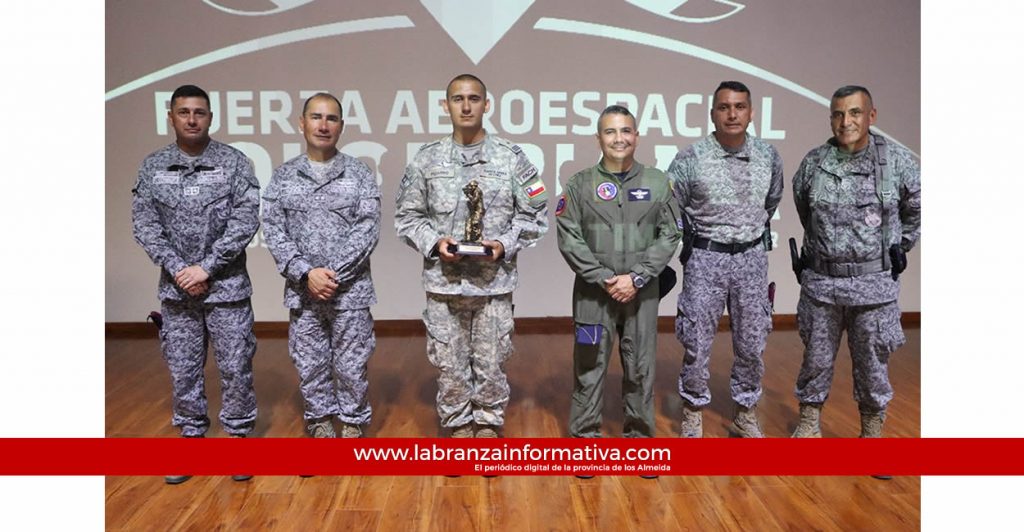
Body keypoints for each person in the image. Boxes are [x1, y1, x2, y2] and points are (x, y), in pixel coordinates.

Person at [395, 74, 548, 438]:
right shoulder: (427, 159)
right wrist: (435, 243)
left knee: (492, 362)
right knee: (449, 364)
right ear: (445, 106)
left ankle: (488, 427)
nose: (466, 106)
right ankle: (459, 427)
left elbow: (536, 213)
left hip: (492, 284)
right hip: (444, 286)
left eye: (474, 98)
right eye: (458, 99)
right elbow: (407, 217)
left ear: (487, 104)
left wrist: (504, 244)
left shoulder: (511, 159)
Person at [131, 84, 259, 484]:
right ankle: (191, 437)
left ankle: (237, 438)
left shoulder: (234, 163)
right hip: (177, 292)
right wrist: (178, 269)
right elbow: (145, 224)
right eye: (183, 112)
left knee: (236, 367)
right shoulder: (153, 167)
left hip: (227, 289)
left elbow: (245, 220)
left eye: (199, 112)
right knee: (183, 369)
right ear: (170, 117)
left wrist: (206, 267)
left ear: (210, 117)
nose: (191, 119)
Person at [790, 85, 920, 440]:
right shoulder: (814, 163)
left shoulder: (898, 163)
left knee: (873, 367)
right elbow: (805, 209)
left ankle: (872, 434)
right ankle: (808, 426)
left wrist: (897, 248)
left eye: (855, 113)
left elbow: (918, 210)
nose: (845, 121)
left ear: (871, 116)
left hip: (873, 288)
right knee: (814, 361)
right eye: (838, 114)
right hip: (822, 285)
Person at [556, 105, 681, 443]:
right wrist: (603, 277)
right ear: (598, 138)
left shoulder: (657, 182)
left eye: (626, 130)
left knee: (641, 368)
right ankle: (584, 440)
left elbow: (670, 234)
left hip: (641, 295)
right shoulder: (580, 185)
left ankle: (639, 440)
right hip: (593, 296)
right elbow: (569, 238)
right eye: (610, 132)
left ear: (636, 136)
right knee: (588, 368)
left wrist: (637, 278)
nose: (619, 138)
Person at [667, 81, 783, 438]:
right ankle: (693, 411)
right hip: (706, 258)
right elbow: (671, 206)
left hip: (751, 259)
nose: (732, 114)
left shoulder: (768, 156)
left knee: (752, 341)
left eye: (739, 107)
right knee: (697, 341)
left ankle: (745, 412)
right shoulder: (691, 158)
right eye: (724, 107)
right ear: (712, 113)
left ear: (751, 112)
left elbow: (772, 201)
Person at [262, 93, 381, 439]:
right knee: (310, 362)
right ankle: (320, 422)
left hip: (350, 293)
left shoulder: (359, 173)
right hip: (303, 292)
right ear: (302, 123)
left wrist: (333, 275)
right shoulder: (284, 176)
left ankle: (353, 424)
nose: (323, 125)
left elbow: (368, 227)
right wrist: (304, 273)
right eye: (316, 117)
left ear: (341, 126)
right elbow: (273, 228)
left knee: (351, 364)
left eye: (331, 119)